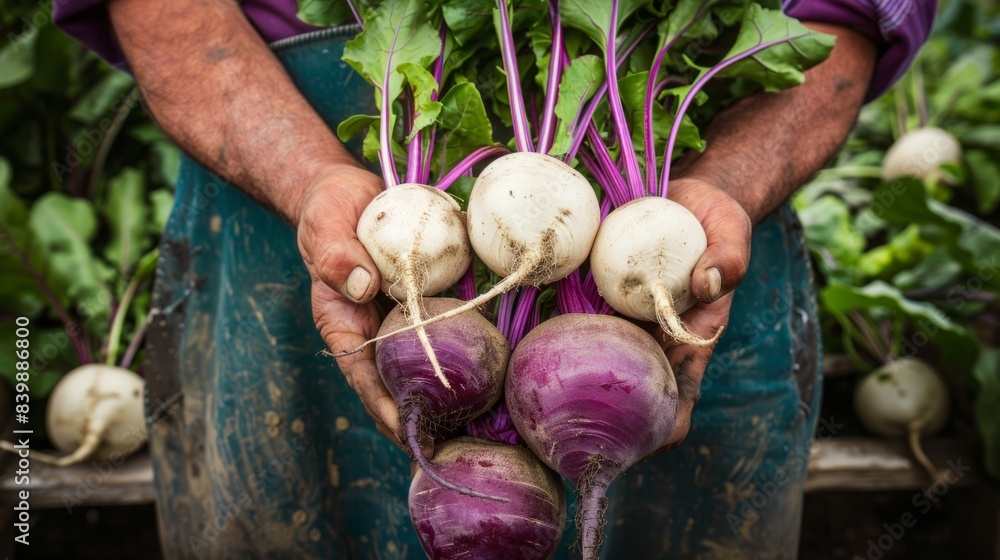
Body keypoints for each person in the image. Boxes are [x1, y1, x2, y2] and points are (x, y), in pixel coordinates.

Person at [52, 1, 935, 558]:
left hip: (701, 197)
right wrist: (311, 180)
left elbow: (848, 14)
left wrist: (727, 189)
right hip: (285, 154)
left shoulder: (668, 229)